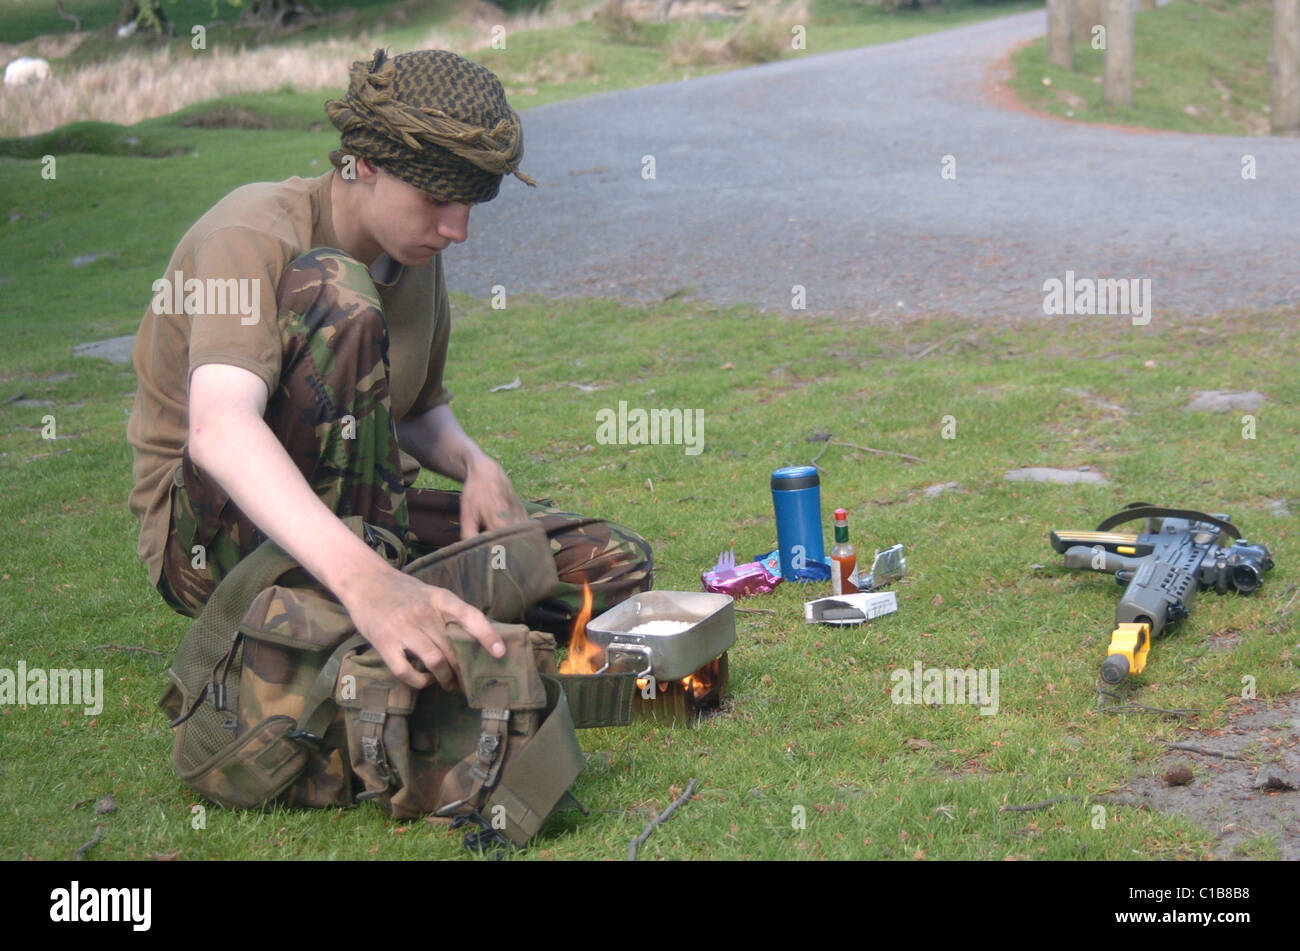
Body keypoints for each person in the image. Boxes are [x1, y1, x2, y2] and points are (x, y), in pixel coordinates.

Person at [127, 48, 652, 692]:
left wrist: (474, 465)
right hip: (213, 542)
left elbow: (413, 410)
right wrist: (366, 581)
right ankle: (363, 612)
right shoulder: (251, 234)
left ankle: (388, 619)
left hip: (378, 524)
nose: (457, 230)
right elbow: (219, 429)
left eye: (468, 206)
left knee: (610, 564)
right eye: (437, 199)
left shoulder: (413, 250)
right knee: (337, 291)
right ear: (366, 163)